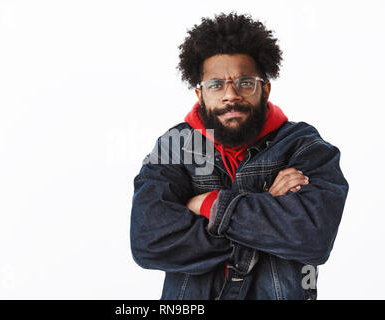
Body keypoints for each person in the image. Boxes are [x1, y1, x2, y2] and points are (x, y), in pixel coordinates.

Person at [130, 12, 348, 300]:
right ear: (200, 95)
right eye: (216, 85)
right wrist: (268, 207)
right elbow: (148, 240)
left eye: (244, 82)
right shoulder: (174, 146)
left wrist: (207, 205)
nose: (230, 95)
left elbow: (313, 237)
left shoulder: (304, 146)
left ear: (265, 89)